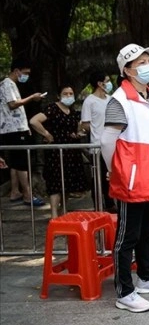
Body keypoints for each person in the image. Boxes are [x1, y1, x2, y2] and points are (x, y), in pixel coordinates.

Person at [102, 43, 149, 313]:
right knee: (127, 236)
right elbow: (107, 139)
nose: (148, 65)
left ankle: (146, 277)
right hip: (132, 177)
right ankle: (124, 291)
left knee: (148, 230)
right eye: (141, 62)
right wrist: (116, 169)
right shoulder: (119, 100)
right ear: (127, 69)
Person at [29, 85, 89, 218]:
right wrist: (46, 134)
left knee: (67, 183)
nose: (68, 96)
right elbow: (34, 121)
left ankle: (64, 211)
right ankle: (54, 214)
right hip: (55, 152)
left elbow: (78, 129)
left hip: (71, 152)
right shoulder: (52, 109)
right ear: (58, 95)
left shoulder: (73, 112)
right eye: (65, 93)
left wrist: (78, 134)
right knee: (55, 183)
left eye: (71, 93)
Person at [0, 59, 44, 206]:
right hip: (13, 129)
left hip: (16, 128)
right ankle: (27, 194)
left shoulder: (11, 85)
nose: (26, 76)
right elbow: (13, 104)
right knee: (22, 163)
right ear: (16, 70)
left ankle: (15, 191)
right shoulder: (7, 84)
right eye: (24, 73)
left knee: (16, 161)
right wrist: (32, 97)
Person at [81, 71, 115, 212]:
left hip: (112, 145)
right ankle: (98, 207)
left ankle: (111, 204)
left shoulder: (111, 99)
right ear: (100, 84)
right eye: (106, 80)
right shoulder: (89, 101)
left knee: (110, 176)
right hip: (97, 146)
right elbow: (85, 124)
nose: (108, 83)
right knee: (98, 178)